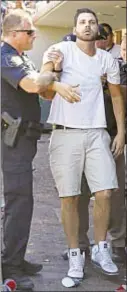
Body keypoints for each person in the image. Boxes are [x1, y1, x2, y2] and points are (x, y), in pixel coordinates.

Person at [41, 8, 125, 284]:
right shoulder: (60, 50)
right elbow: (42, 86)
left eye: (91, 22)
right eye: (82, 22)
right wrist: (57, 85)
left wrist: (121, 132)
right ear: (75, 27)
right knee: (69, 197)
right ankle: (75, 254)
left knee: (105, 192)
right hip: (65, 134)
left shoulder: (106, 59)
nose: (87, 26)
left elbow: (115, 96)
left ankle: (102, 250)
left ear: (98, 28)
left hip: (97, 133)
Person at [1, 9, 80, 291]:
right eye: (30, 31)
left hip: (24, 141)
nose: (34, 35)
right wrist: (52, 76)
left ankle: (17, 259)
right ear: (13, 34)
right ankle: (10, 267)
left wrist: (50, 71)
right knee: (18, 204)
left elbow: (40, 86)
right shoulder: (6, 57)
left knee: (24, 203)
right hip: (15, 141)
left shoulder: (19, 58)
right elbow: (35, 85)